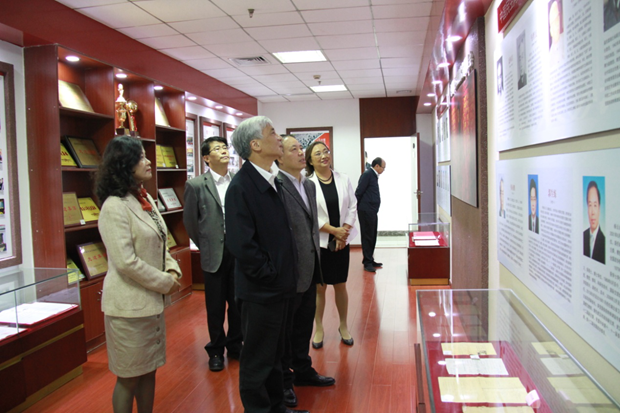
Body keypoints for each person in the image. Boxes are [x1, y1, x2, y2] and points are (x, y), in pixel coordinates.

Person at [225, 117, 307, 413]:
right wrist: (270, 274)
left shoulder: (270, 179)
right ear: (255, 145)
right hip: (261, 291)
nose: (279, 137)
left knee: (275, 356)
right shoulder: (241, 187)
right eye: (273, 133)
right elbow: (242, 245)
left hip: (279, 288)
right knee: (258, 360)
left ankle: (277, 408)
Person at [95, 136, 182, 413]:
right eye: (141, 157)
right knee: (129, 376)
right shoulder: (114, 206)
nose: (148, 162)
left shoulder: (144, 198)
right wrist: (165, 282)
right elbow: (126, 262)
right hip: (128, 309)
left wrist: (172, 268)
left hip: (150, 304)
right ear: (125, 164)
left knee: (149, 370)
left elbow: (161, 240)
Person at [276, 136, 336, 408]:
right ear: (279, 157)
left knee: (303, 325)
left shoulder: (309, 184)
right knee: (286, 330)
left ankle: (303, 370)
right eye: (295, 149)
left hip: (311, 267)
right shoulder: (276, 185)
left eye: (302, 149)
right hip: (289, 271)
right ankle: (284, 381)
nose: (302, 153)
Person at [183, 136, 242, 372]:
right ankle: (216, 350)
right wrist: (206, 244)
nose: (224, 151)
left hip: (238, 250)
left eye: (225, 147)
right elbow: (191, 222)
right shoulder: (196, 185)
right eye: (218, 149)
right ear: (207, 158)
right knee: (215, 305)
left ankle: (236, 345)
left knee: (237, 303)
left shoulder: (238, 180)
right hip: (213, 252)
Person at [306, 141, 358, 349]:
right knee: (320, 288)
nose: (323, 156)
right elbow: (310, 213)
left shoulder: (343, 179)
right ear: (310, 160)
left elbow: (352, 206)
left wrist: (343, 233)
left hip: (341, 242)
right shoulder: (307, 183)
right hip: (320, 242)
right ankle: (318, 328)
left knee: (340, 285)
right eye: (317, 153)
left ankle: (343, 326)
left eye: (325, 151)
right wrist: (333, 231)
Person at [355, 157, 386, 273]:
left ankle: (370, 259)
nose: (383, 170)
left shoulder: (373, 175)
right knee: (367, 236)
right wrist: (355, 208)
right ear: (377, 166)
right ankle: (367, 262)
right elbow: (359, 191)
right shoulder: (367, 174)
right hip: (366, 211)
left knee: (372, 235)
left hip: (372, 211)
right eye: (383, 167)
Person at [583, 181, 605, 264]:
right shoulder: (582, 236)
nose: (592, 212)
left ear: (599, 208)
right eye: (590, 205)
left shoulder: (604, 242)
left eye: (595, 205)